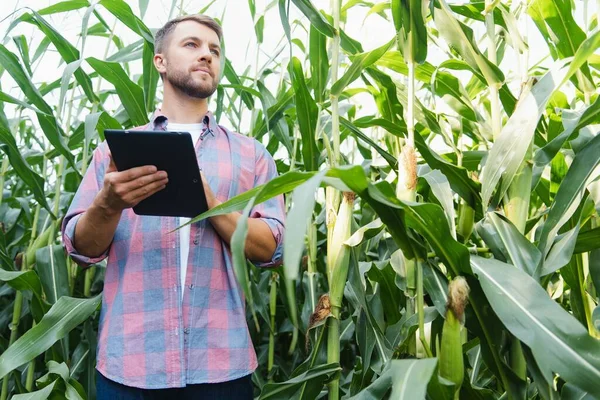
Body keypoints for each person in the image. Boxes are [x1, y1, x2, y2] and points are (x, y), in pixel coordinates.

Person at [61, 14, 285, 399]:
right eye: (192, 45)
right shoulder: (116, 152)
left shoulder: (251, 155)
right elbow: (82, 248)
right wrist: (108, 204)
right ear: (159, 61)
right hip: (131, 364)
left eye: (215, 50)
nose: (206, 55)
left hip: (221, 365)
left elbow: (273, 248)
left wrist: (211, 201)